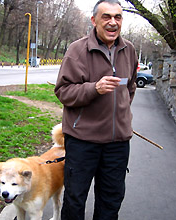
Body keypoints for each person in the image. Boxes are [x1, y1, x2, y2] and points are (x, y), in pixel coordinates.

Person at [54, 0, 138, 219]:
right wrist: (94, 88)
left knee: (111, 200)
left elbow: (130, 87)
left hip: (117, 143)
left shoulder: (129, 50)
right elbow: (63, 91)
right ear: (94, 21)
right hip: (83, 141)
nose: (112, 22)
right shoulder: (77, 50)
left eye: (117, 17)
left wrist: (120, 115)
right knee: (75, 199)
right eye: (106, 17)